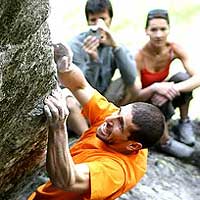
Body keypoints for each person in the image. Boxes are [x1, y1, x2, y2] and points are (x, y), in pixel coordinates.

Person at [28, 43, 164, 200]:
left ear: (133, 146)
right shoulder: (115, 117)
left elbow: (67, 180)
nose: (109, 118)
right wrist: (66, 67)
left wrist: (58, 127)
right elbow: (81, 87)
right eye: (118, 111)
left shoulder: (116, 172)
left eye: (120, 124)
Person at [133, 9, 200, 158]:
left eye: (163, 29)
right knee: (158, 94)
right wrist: (155, 87)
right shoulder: (138, 56)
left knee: (183, 77)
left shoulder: (173, 49)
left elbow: (198, 77)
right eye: (154, 29)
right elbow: (136, 95)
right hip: (145, 102)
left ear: (169, 29)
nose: (158, 35)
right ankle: (165, 141)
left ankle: (184, 122)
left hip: (163, 98)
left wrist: (172, 88)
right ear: (146, 31)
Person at [65, 0, 137, 136]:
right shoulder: (75, 45)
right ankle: (89, 136)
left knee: (133, 85)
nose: (98, 25)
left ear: (110, 20)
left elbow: (131, 78)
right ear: (87, 22)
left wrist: (116, 47)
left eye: (103, 19)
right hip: (82, 98)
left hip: (105, 96)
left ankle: (113, 123)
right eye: (93, 20)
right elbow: (80, 86)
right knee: (69, 101)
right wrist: (93, 60)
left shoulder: (114, 42)